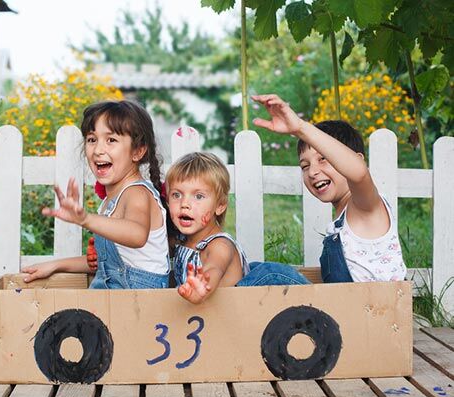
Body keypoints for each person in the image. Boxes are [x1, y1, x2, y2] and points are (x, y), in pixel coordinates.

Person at [252, 94, 406, 283]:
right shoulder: (342, 221)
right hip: (346, 306)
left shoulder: (365, 208)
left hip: (371, 309)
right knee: (253, 269)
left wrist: (300, 128)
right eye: (305, 166)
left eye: (323, 159)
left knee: (270, 274)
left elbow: (358, 173)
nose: (313, 172)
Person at [22, 100, 170, 289]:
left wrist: (85, 219)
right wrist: (55, 265)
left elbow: (137, 235)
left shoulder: (137, 193)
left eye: (111, 140)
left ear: (138, 151)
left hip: (140, 299)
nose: (98, 150)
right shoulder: (110, 201)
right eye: (92, 139)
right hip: (116, 293)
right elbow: (105, 265)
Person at [167, 152, 309, 304]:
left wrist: (202, 286)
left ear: (220, 206)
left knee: (266, 271)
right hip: (207, 319)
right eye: (176, 195)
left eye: (199, 196)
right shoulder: (180, 241)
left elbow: (214, 268)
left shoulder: (220, 245)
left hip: (237, 313)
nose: (185, 204)